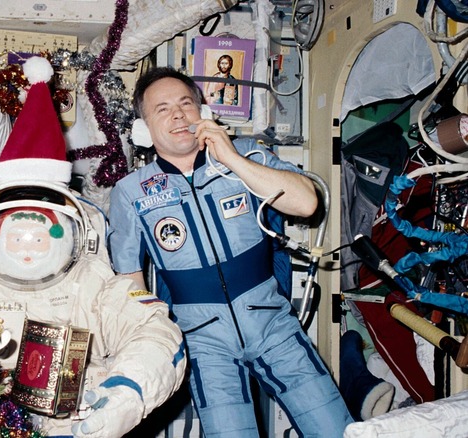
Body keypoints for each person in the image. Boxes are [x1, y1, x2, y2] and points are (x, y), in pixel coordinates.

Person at [107, 67, 353, 437]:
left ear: (203, 112)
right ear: (143, 129)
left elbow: (306, 202)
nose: (178, 115)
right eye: (162, 109)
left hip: (273, 325)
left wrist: (233, 159)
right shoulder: (130, 192)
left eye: (186, 104)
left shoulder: (250, 157)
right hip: (201, 341)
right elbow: (130, 280)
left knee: (335, 430)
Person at [0, 56, 186, 438]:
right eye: (15, 232)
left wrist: (119, 400)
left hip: (76, 422)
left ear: (76, 233)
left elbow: (155, 334)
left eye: (41, 232)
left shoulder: (92, 284)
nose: (27, 247)